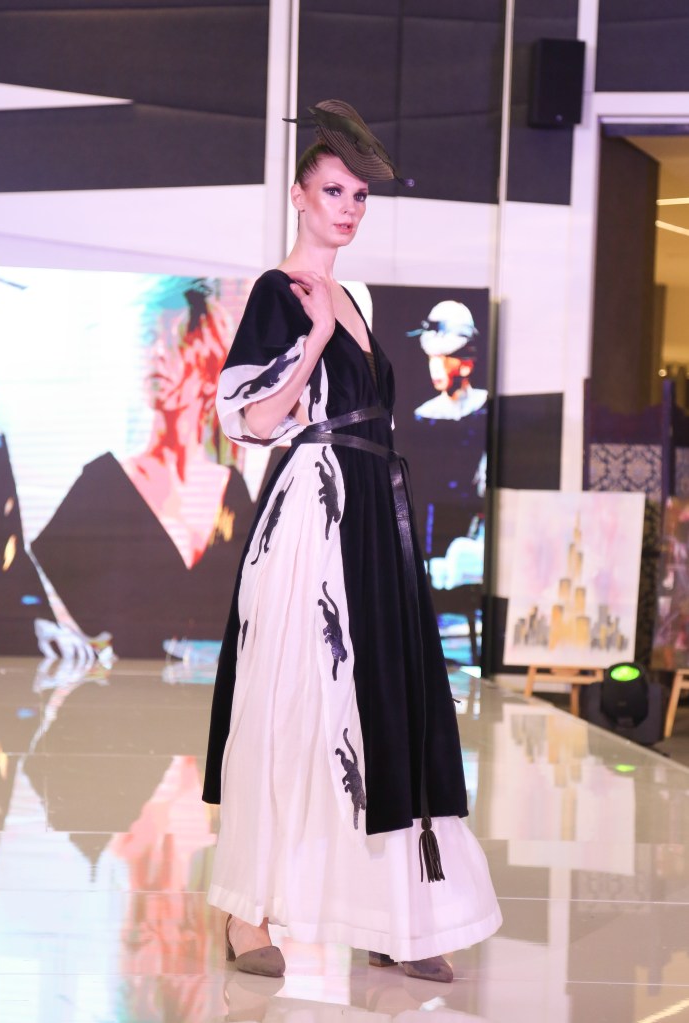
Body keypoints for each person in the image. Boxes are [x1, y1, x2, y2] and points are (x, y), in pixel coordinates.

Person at [202, 100, 501, 983]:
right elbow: (253, 421)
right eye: (333, 191)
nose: (348, 207)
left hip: (375, 511)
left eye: (360, 196)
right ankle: (246, 912)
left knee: (384, 702)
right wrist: (318, 338)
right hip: (315, 515)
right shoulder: (282, 292)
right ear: (299, 195)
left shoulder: (355, 297)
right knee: (296, 700)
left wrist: (341, 320)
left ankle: (392, 916)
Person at [32, 279, 254, 658]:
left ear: (209, 367)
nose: (157, 353)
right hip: (125, 687)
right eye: (149, 338)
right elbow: (45, 602)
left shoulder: (231, 490)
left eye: (176, 340)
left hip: (213, 688)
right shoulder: (102, 483)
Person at [411, 300, 488, 422]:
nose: (434, 368)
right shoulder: (425, 415)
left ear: (466, 364)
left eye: (443, 357)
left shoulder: (484, 403)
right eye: (431, 358)